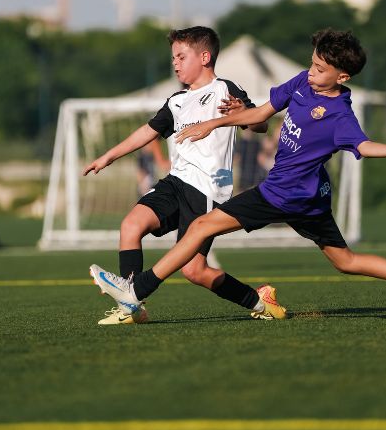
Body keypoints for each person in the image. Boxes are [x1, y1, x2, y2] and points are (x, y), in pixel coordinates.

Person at [90, 29, 386, 323]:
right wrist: (216, 122)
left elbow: (363, 145)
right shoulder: (301, 84)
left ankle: (137, 289)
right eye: (312, 62)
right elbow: (259, 115)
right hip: (312, 196)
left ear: (342, 76)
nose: (312, 70)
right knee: (346, 261)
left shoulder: (340, 116)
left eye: (321, 69)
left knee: (202, 227)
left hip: (281, 194)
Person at [83, 25, 275, 325]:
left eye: (181, 56)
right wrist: (109, 155)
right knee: (131, 225)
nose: (175, 63)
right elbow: (148, 132)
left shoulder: (224, 89)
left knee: (194, 271)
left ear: (205, 56)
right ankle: (131, 303)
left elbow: (260, 125)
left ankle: (259, 301)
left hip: (207, 190)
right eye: (173, 57)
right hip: (176, 182)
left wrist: (242, 115)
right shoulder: (176, 101)